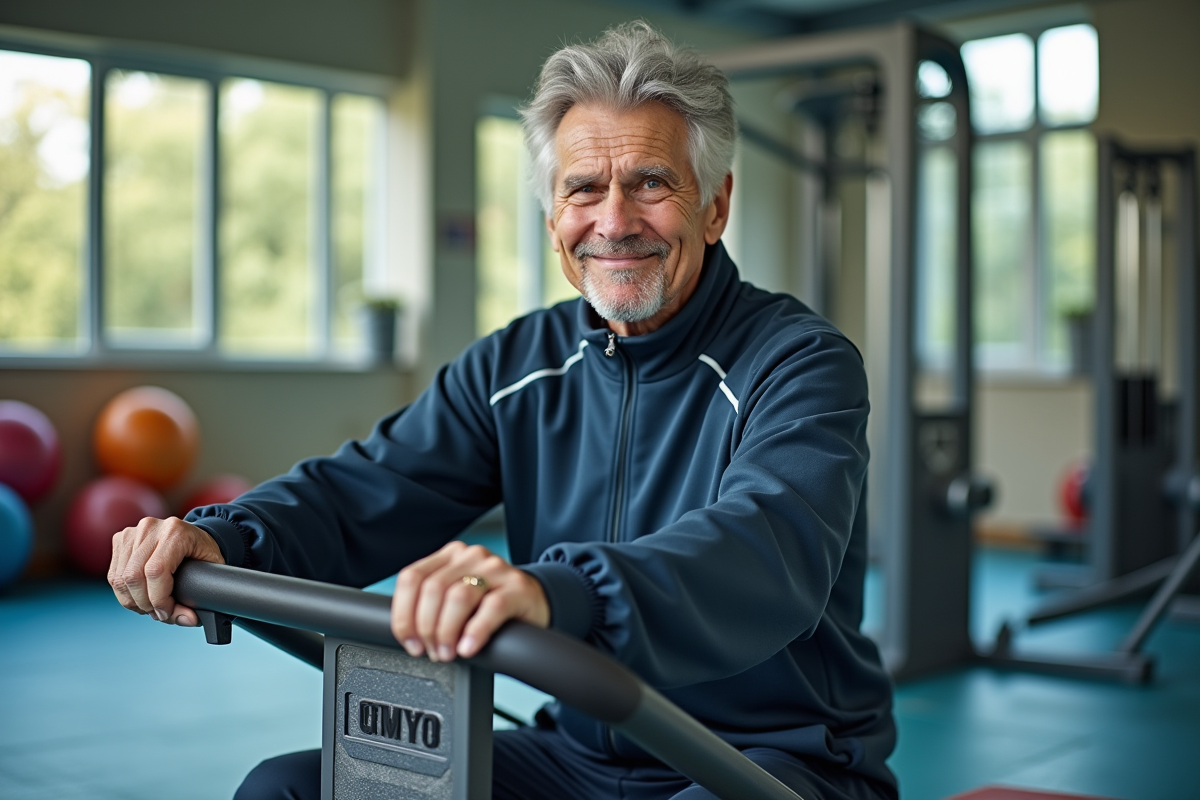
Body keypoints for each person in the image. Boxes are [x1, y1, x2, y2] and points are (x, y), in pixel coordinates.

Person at [107, 21, 896, 800]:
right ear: (554, 219)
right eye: (583, 188)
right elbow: (369, 487)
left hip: (768, 761)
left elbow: (765, 552)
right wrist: (225, 534)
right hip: (577, 753)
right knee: (284, 790)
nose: (614, 220)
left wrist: (560, 593)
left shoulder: (800, 363)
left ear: (715, 206)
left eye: (651, 182)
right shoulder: (517, 365)